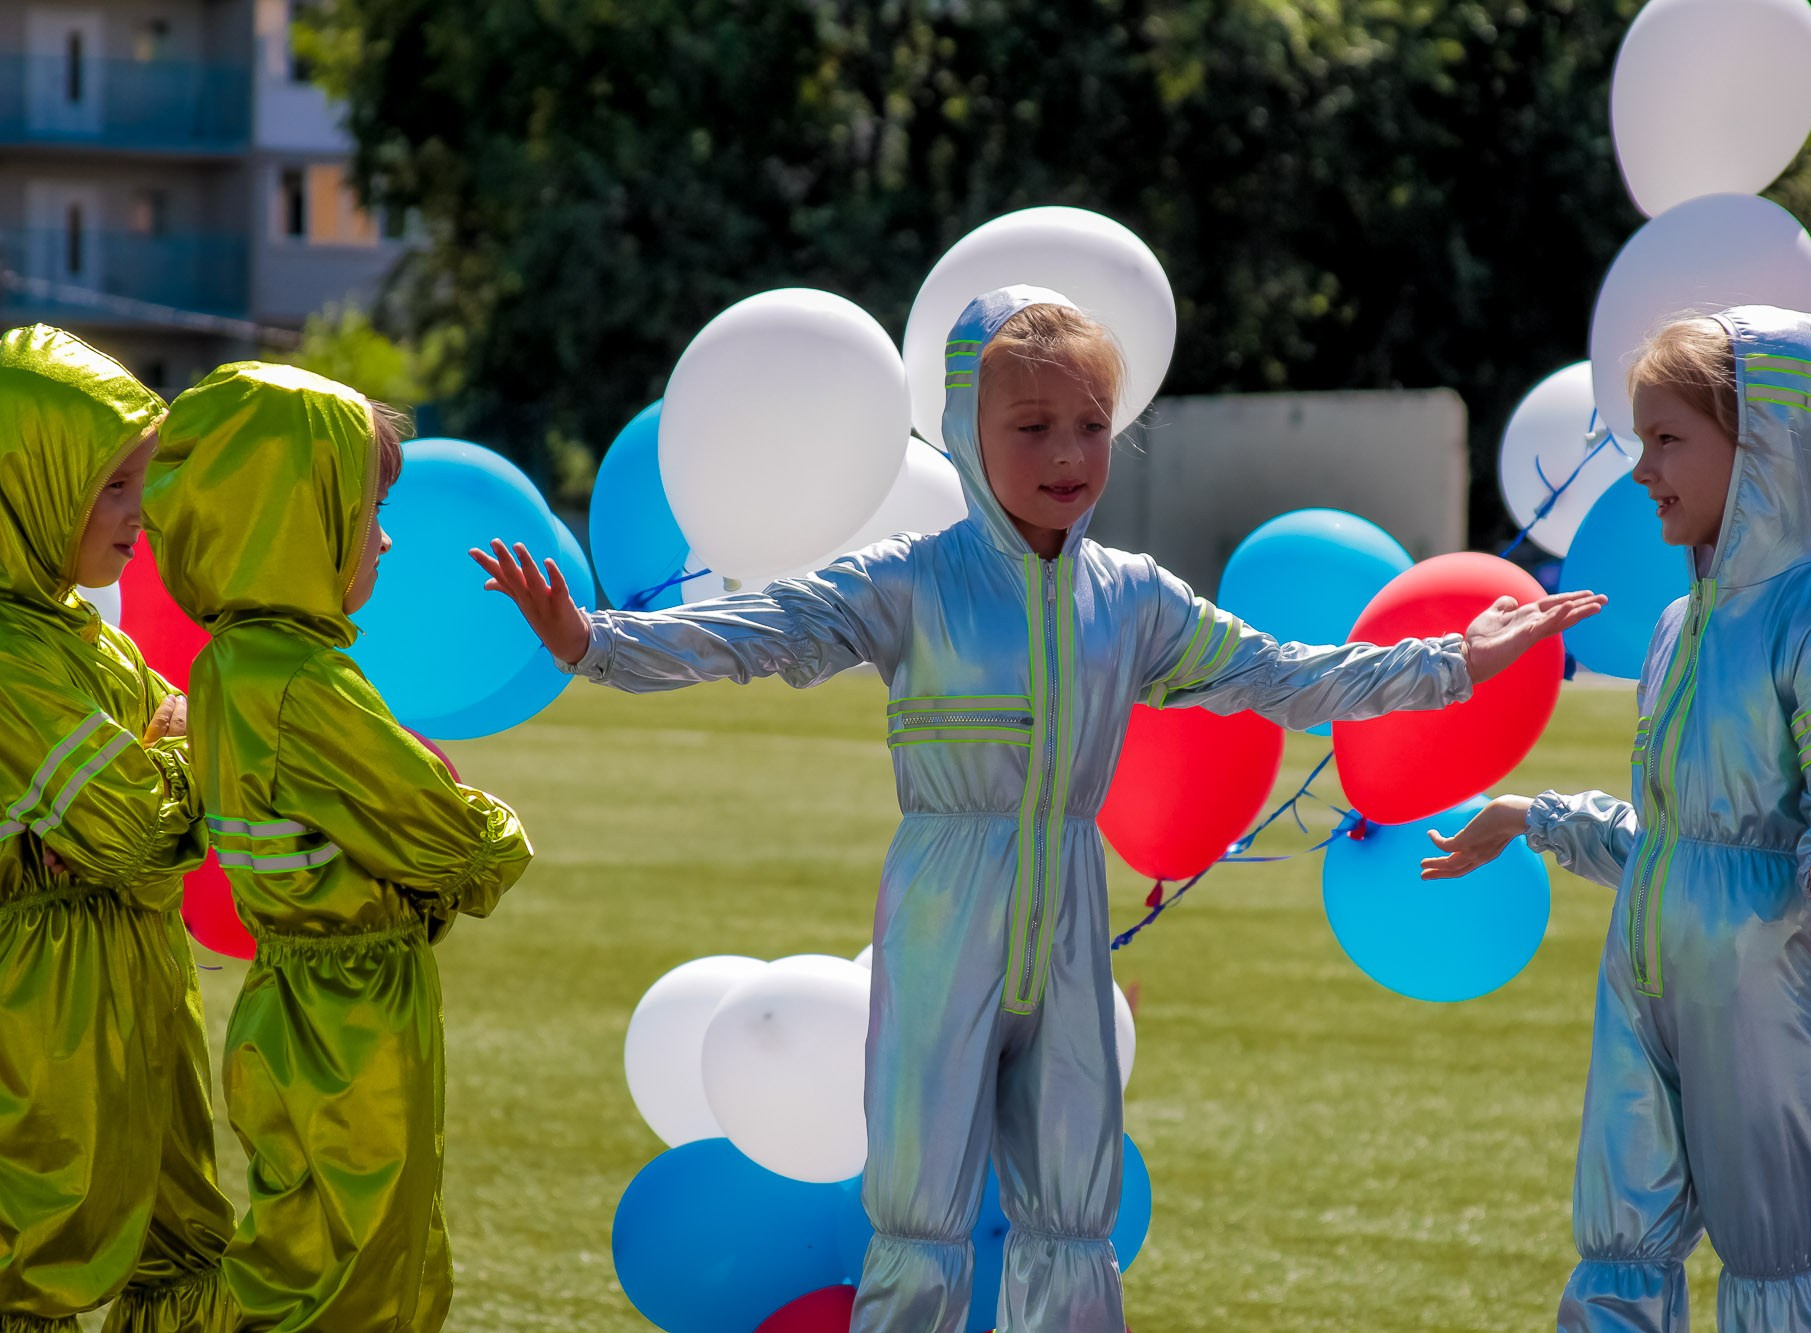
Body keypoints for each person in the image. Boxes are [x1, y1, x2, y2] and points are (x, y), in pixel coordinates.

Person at [475, 286, 1600, 1331]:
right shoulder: (909, 578)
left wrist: (1452, 658)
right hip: (941, 909)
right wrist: (595, 641)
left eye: (1091, 425)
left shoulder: (1133, 596)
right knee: (919, 1213)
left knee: (1071, 1215)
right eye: (1031, 427)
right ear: (966, 433)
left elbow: (1285, 675)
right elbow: (758, 629)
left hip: (1068, 907)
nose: (1068, 454)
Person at [1423, 306, 1811, 1332]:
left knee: (1770, 1254)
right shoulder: (1676, 626)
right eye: (1640, 441)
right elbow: (1672, 844)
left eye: (1666, 440)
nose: (1642, 471)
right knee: (1618, 1243)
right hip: (1640, 973)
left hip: (1757, 983)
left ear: (1761, 446)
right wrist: (1533, 815)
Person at [141, 363, 535, 1332]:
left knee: (311, 1246)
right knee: (357, 1275)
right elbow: (454, 841)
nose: (386, 538)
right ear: (292, 517)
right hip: (351, 1020)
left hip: (291, 1000)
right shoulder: (309, 684)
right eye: (367, 510)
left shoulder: (228, 664)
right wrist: (491, 826)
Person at [0, 324, 236, 1332]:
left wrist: (168, 753)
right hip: (42, 1009)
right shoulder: (12, 653)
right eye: (112, 485)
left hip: (135, 982)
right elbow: (134, 827)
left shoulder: (81, 634)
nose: (141, 512)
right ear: (31, 482)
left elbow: (155, 770)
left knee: (182, 1247)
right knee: (35, 1266)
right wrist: (189, 753)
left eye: (142, 480)